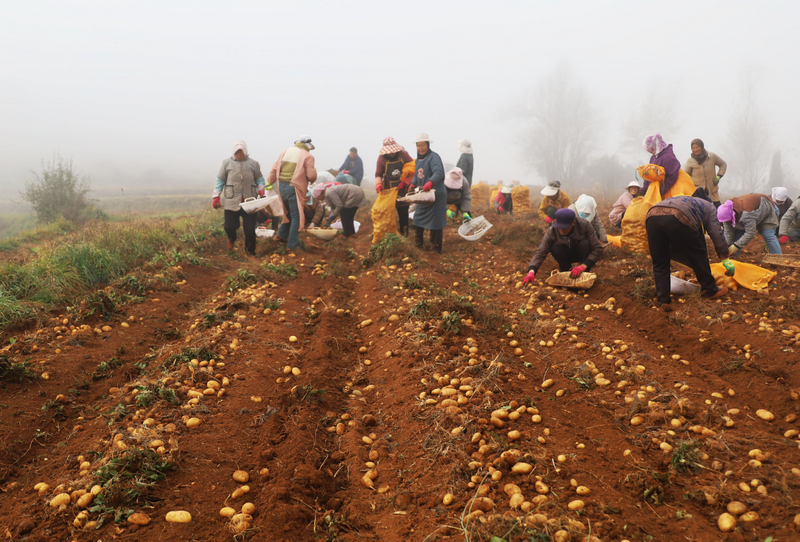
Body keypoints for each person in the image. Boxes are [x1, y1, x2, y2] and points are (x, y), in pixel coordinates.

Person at [645, 195, 733, 311]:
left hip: (652, 217)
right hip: (678, 216)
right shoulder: (710, 207)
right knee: (698, 255)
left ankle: (663, 301)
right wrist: (725, 257)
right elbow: (716, 233)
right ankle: (710, 290)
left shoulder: (687, 201)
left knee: (660, 262)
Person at [523, 208, 604, 287]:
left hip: (581, 253)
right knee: (555, 248)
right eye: (559, 227)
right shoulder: (552, 231)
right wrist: (531, 271)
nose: (561, 230)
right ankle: (566, 269)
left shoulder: (584, 225)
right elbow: (541, 251)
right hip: (565, 254)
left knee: (585, 243)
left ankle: (586, 271)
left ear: (573, 223)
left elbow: (598, 248)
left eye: (564, 228)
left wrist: (583, 265)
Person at [212, 140, 266, 256]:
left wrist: (261, 189)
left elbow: (259, 179)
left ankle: (250, 252)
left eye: (241, 152)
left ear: (245, 151)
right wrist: (216, 196)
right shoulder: (226, 163)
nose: (239, 155)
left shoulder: (253, 163)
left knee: (250, 230)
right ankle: (231, 238)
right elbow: (220, 180)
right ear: (234, 152)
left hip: (249, 201)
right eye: (237, 152)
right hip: (231, 200)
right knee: (229, 226)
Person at [268, 135, 318, 250]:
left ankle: (282, 235)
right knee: (296, 216)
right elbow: (311, 176)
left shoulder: (285, 151)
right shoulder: (307, 156)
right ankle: (293, 245)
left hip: (282, 187)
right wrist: (313, 178)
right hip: (294, 188)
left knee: (289, 213)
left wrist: (270, 181)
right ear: (307, 145)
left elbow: (274, 168)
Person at [410, 133, 446, 253]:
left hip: (435, 194)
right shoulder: (418, 160)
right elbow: (417, 175)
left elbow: (438, 172)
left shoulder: (434, 157)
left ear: (428, 145)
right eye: (418, 145)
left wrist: (430, 182)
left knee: (436, 221)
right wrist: (412, 184)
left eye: (423, 145)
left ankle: (436, 248)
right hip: (423, 194)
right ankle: (418, 244)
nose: (421, 148)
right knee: (418, 217)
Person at [717, 194, 782, 256]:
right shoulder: (726, 213)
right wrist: (725, 247)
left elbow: (750, 232)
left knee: (768, 234)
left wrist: (737, 246)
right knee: (738, 234)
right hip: (752, 212)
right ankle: (734, 258)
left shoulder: (747, 214)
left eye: (728, 221)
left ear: (733, 215)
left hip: (766, 209)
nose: (727, 222)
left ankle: (778, 257)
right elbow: (728, 233)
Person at [374, 137, 415, 236]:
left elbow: (412, 171)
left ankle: (404, 233)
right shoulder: (382, 158)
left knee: (403, 213)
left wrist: (405, 182)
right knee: (388, 214)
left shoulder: (404, 155)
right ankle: (391, 234)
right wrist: (379, 185)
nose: (391, 153)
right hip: (389, 190)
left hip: (402, 190)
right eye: (389, 152)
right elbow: (378, 175)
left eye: (393, 151)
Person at [683, 139, 727, 207]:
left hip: (712, 191)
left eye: (697, 147)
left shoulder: (712, 156)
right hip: (698, 194)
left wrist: (719, 176)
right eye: (693, 148)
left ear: (702, 147)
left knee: (718, 211)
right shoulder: (690, 161)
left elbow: (723, 164)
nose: (695, 149)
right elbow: (685, 176)